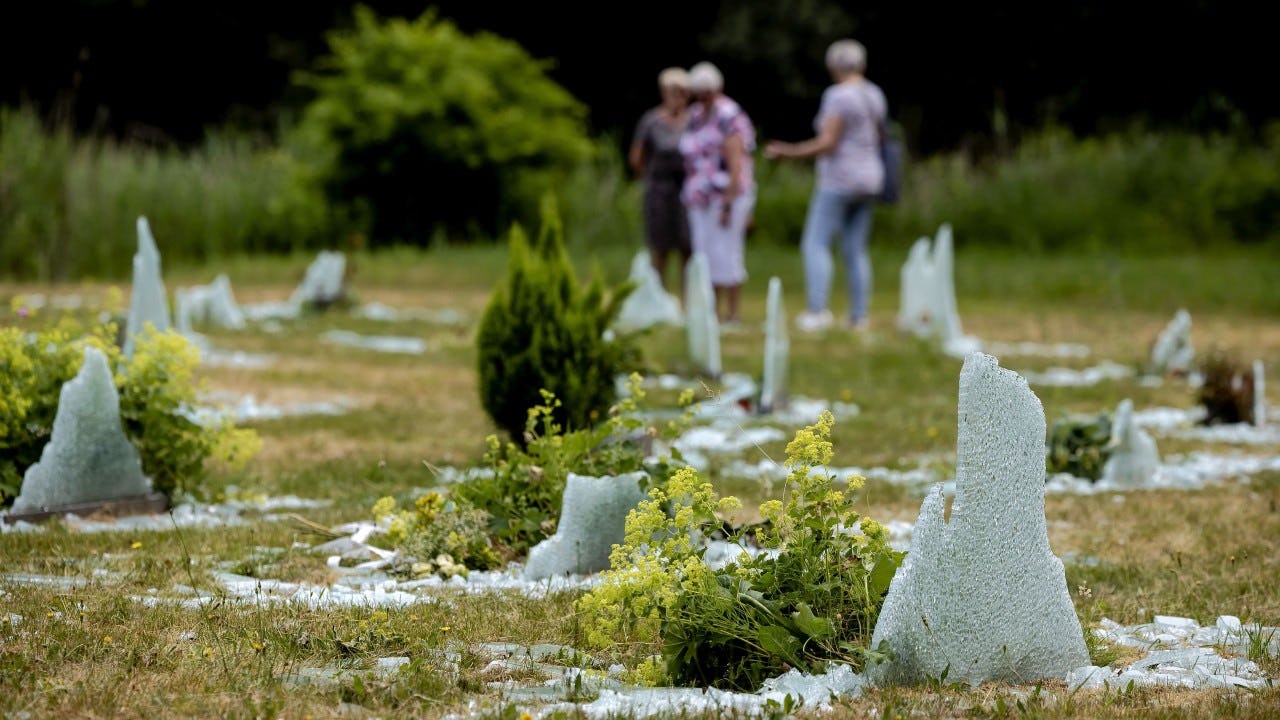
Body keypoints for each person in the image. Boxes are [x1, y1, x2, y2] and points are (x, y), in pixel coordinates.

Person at [764, 39, 887, 333]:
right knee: (855, 249)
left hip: (840, 179)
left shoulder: (838, 96)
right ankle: (859, 316)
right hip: (871, 178)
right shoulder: (874, 94)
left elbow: (828, 142)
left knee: (815, 242)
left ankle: (817, 311)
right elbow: (880, 136)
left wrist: (788, 152)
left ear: (833, 66)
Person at [679, 61, 756, 325]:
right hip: (698, 199)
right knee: (704, 254)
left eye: (706, 91)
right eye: (698, 91)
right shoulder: (695, 115)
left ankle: (733, 313)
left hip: (725, 197)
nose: (702, 97)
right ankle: (710, 312)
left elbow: (736, 164)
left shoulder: (729, 115)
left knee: (727, 252)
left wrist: (728, 203)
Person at [629, 67, 692, 296]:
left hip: (688, 191)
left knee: (688, 247)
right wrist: (648, 178)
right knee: (660, 247)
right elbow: (636, 157)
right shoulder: (651, 121)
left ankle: (688, 300)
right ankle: (660, 298)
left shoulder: (694, 121)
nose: (677, 97)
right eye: (672, 92)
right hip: (659, 189)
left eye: (682, 92)